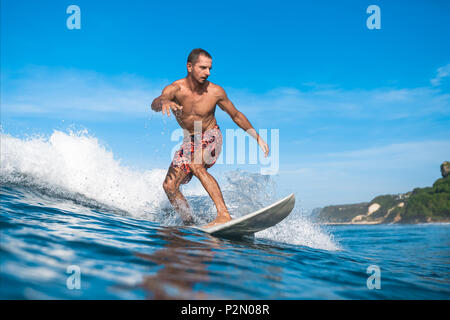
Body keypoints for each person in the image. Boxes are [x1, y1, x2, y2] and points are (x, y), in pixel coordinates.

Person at [151, 48, 269, 227]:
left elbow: (235, 114)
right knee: (169, 185)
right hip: (189, 141)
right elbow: (156, 102)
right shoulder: (175, 89)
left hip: (211, 135)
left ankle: (224, 215)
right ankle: (189, 222)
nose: (208, 73)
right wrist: (164, 102)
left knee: (196, 164)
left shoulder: (215, 92)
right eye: (203, 68)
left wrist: (257, 137)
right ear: (189, 66)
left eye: (210, 69)